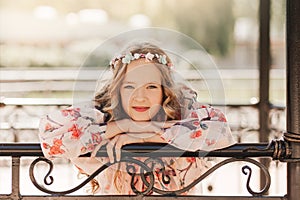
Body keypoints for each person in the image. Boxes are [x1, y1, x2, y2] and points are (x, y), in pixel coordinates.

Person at [39, 41, 236, 194]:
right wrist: (122, 125)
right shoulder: (102, 116)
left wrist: (144, 134)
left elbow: (220, 131)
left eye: (151, 86)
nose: (139, 97)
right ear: (117, 90)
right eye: (130, 86)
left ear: (164, 91)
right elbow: (50, 135)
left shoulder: (184, 115)